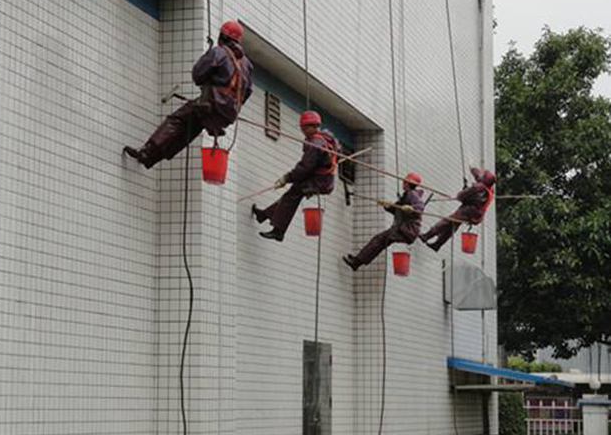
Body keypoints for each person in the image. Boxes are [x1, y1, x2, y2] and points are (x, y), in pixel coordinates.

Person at [123, 20, 253, 168]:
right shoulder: (247, 65)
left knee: (176, 120)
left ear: (222, 36)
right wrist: (227, 105)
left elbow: (198, 75)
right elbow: (247, 92)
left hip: (211, 105)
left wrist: (209, 72)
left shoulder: (219, 52)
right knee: (189, 129)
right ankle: (150, 159)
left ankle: (147, 152)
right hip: (228, 115)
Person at [251, 110, 338, 241]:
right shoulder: (325, 139)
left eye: (303, 128)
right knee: (291, 194)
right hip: (323, 180)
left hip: (319, 182)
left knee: (293, 194)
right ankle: (264, 215)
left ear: (310, 127)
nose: (302, 132)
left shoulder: (315, 143)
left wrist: (287, 178)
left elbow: (305, 167)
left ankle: (278, 231)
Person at [343, 172, 425, 271]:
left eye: (404, 181)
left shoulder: (412, 194)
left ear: (407, 183)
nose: (403, 183)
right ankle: (357, 262)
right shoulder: (407, 196)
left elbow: (420, 207)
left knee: (379, 240)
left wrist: (412, 208)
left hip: (406, 230)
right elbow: (396, 209)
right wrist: (387, 206)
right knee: (380, 240)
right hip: (406, 230)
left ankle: (357, 262)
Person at [419, 167, 496, 251]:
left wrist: (466, 190)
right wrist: (472, 169)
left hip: (468, 211)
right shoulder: (490, 189)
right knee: (452, 226)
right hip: (477, 214)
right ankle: (437, 244)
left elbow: (460, 197)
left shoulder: (478, 188)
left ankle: (427, 235)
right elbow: (478, 178)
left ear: (484, 179)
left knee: (447, 221)